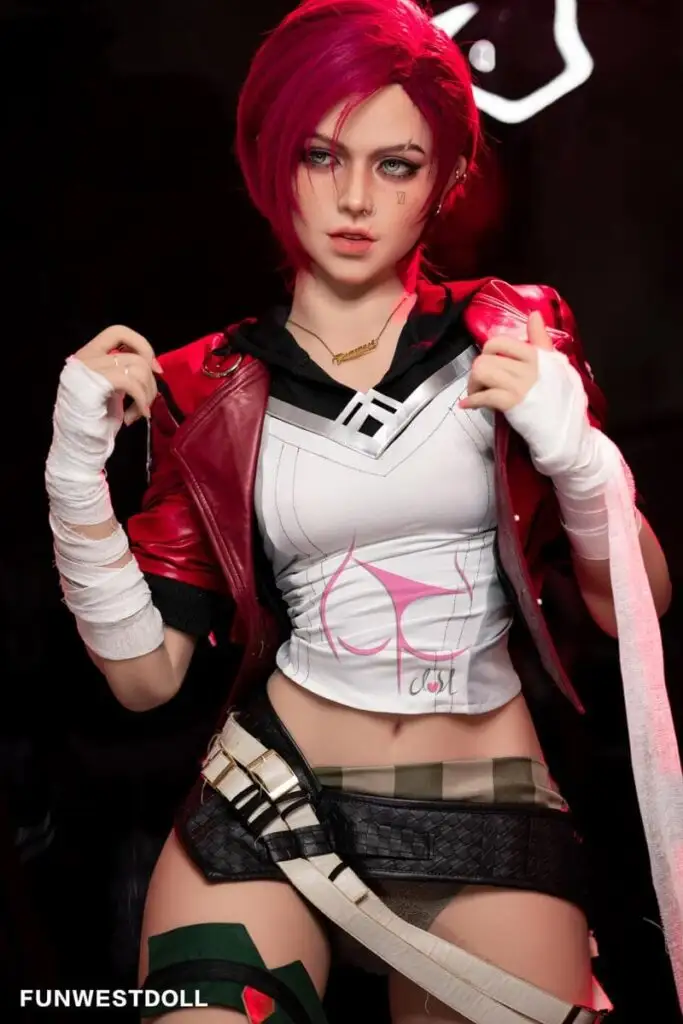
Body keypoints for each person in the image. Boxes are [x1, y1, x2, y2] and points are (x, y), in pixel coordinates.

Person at [44, 1, 682, 1022]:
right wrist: (76, 478)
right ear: (269, 160)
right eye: (320, 156)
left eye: (395, 164)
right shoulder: (204, 382)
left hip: (487, 814)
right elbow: (143, 677)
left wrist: (578, 458)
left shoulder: (515, 334)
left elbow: (633, 608)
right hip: (269, 801)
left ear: (446, 177)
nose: (352, 199)